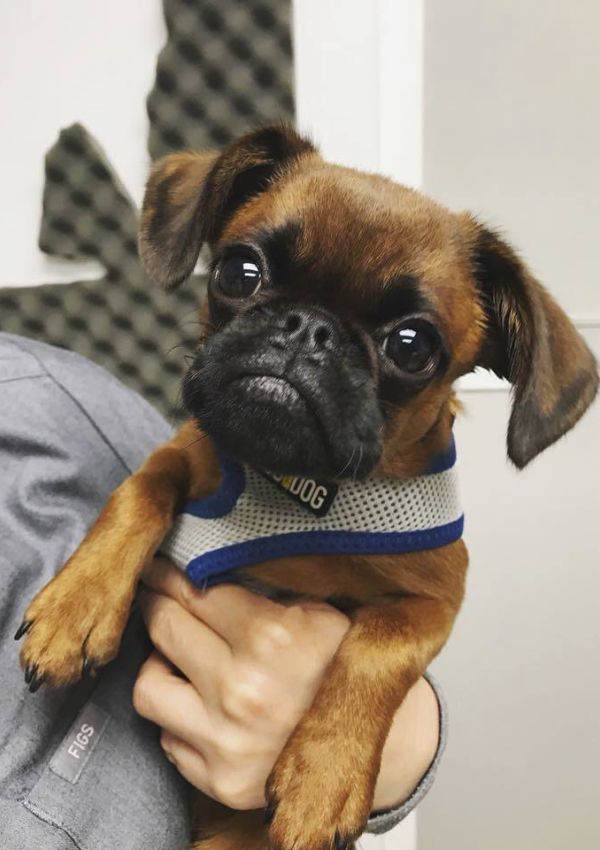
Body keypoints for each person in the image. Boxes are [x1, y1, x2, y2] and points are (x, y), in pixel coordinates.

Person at [0, 332, 447, 849]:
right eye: (243, 277)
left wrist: (385, 735)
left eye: (407, 349)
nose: (306, 343)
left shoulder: (46, 395)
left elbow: (425, 605)